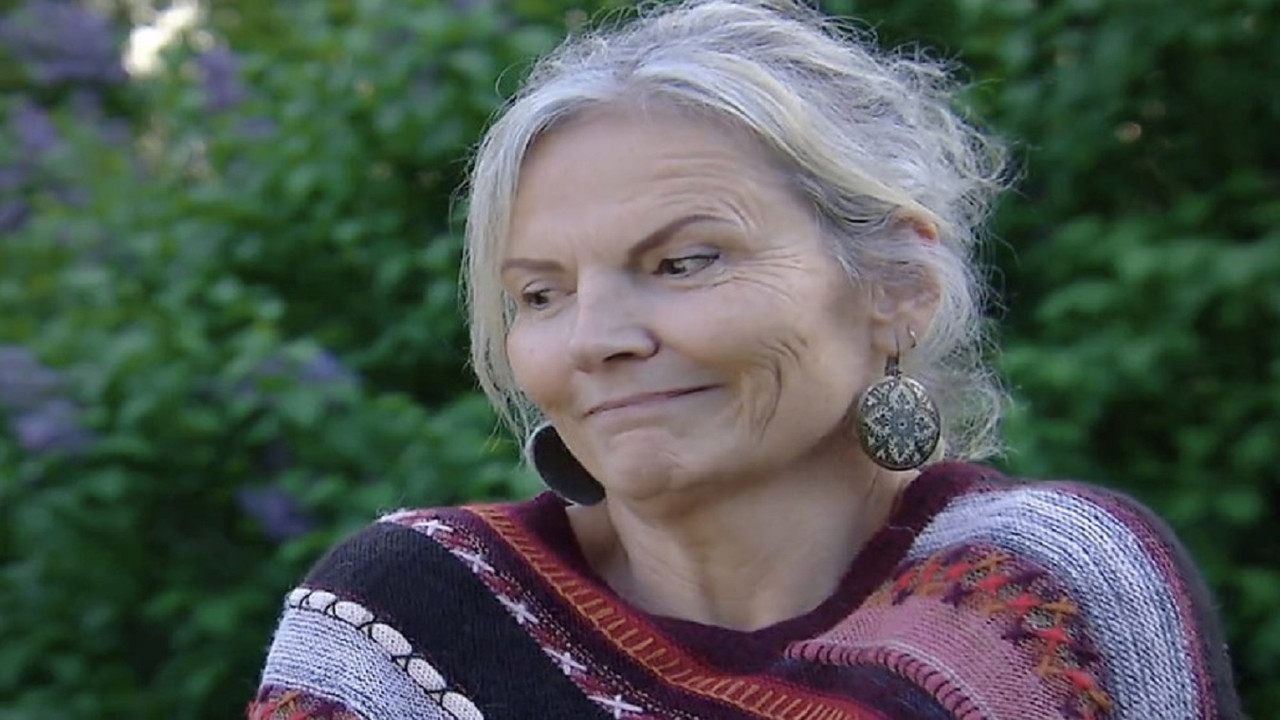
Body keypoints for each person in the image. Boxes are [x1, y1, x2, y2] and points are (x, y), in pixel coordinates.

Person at [246, 1, 1242, 718]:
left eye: (682, 263)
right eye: (541, 294)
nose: (596, 337)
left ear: (895, 285)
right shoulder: (403, 623)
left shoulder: (1051, 588)